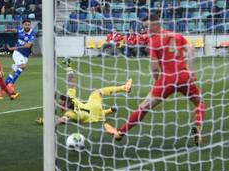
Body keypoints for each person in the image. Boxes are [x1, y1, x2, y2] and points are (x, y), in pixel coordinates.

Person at [104, 13, 206, 146]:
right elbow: (190, 49)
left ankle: (120, 132)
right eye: (144, 27)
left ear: (156, 24)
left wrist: (157, 80)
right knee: (200, 103)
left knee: (144, 106)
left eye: (147, 26)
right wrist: (191, 72)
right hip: (184, 76)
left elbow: (154, 66)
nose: (146, 29)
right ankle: (197, 128)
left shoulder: (154, 41)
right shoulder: (176, 35)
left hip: (166, 80)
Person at [36, 58, 133, 125]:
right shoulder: (71, 98)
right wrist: (69, 67)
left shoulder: (70, 114)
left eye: (61, 104)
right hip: (94, 107)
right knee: (97, 92)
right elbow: (71, 82)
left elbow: (60, 120)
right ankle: (123, 88)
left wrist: (46, 121)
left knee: (97, 113)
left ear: (65, 106)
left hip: (93, 116)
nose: (59, 104)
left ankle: (110, 110)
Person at [0, 19, 35, 95]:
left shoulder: (32, 34)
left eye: (29, 25)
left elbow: (28, 46)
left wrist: (14, 48)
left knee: (14, 71)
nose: (27, 26)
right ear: (23, 25)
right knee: (23, 66)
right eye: (26, 24)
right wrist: (7, 30)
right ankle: (11, 85)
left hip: (25, 55)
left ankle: (1, 89)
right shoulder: (20, 30)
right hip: (17, 53)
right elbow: (14, 30)